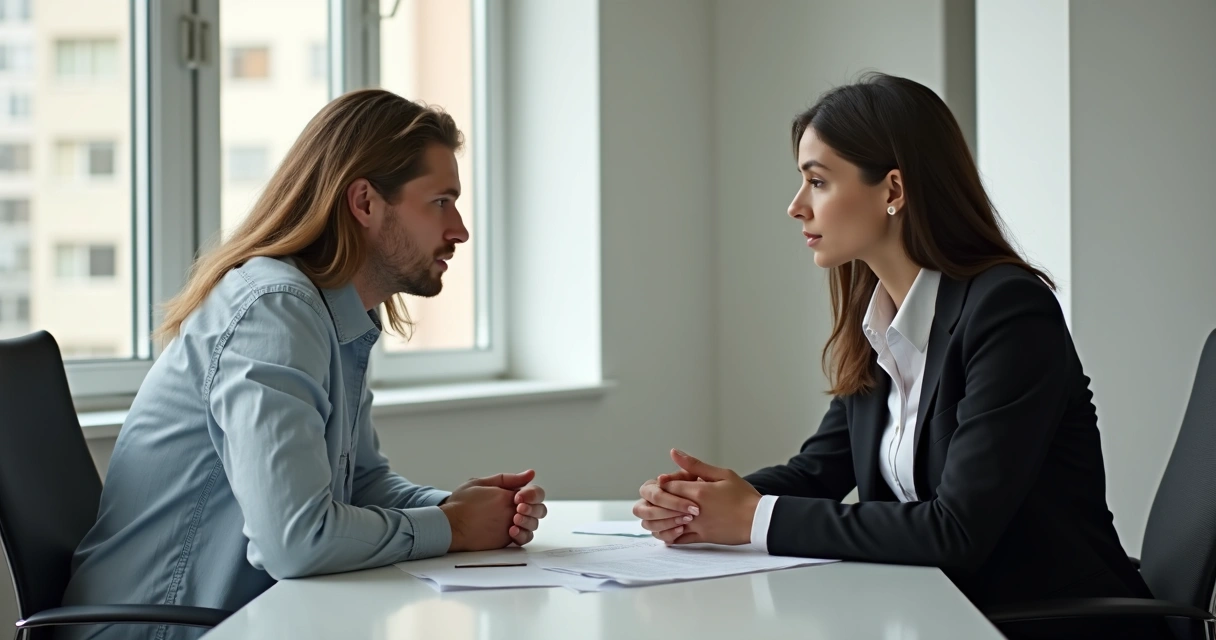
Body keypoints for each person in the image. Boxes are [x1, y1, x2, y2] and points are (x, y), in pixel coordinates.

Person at [632, 73, 1164, 639]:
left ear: (892, 190)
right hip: (932, 613)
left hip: (1040, 624)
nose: (795, 207)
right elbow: (820, 471)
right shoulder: (881, 318)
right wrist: (697, 505)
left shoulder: (1009, 311)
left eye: (817, 182)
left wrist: (753, 517)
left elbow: (957, 530)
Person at [59, 90, 547, 640]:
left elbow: (359, 484)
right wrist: (453, 528)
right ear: (364, 203)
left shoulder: (333, 312)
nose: (458, 230)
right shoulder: (275, 311)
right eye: (441, 202)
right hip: (160, 630)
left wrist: (454, 508)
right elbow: (294, 541)